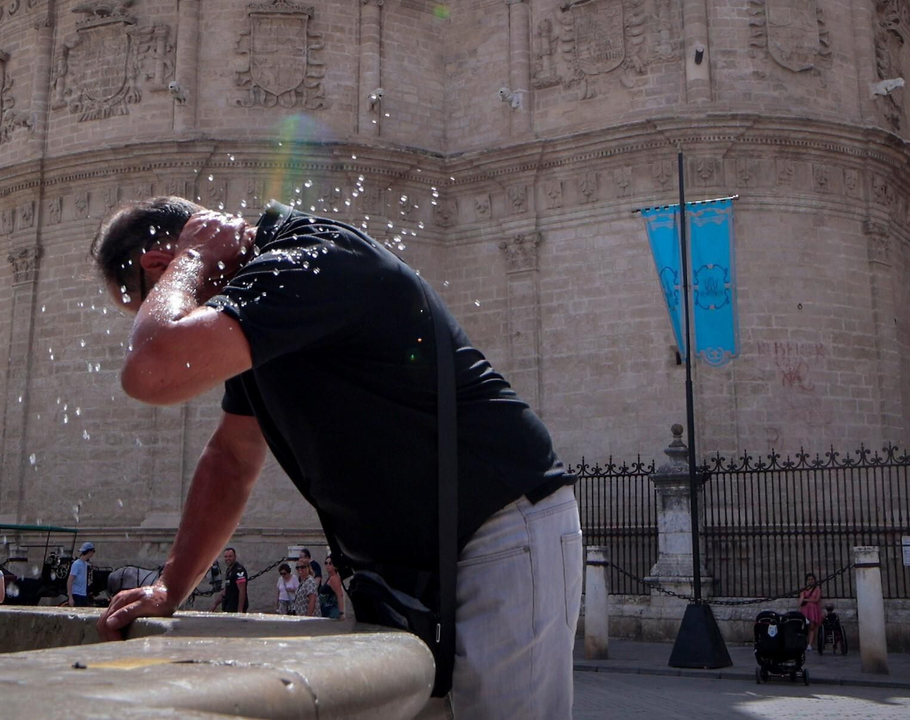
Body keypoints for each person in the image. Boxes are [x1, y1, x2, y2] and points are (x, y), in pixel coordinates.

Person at [93, 197, 581, 719]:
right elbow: (232, 456)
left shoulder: (308, 259)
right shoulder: (257, 304)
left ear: (160, 265)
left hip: (495, 525)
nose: (179, 307)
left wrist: (192, 260)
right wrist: (172, 586)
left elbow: (150, 369)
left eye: (164, 296)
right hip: (410, 565)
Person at [798, 572, 824, 652]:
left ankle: (810, 644)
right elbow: (800, 601)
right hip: (805, 610)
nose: (810, 581)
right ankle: (804, 643)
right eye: (809, 580)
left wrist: (806, 599)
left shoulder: (817, 590)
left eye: (812, 579)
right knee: (805, 627)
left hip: (813, 610)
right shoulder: (803, 590)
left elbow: (816, 600)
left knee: (812, 627)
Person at [220, 547, 248, 613]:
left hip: (235, 607)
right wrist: (215, 604)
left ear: (235, 557)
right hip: (229, 606)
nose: (228, 559)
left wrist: (240, 609)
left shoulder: (239, 570)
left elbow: (242, 590)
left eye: (230, 556)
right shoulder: (229, 570)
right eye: (226, 557)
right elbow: (227, 588)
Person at [69, 542, 97, 608]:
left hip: (83, 594)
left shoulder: (85, 564)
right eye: (93, 552)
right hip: (76, 594)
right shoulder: (76, 564)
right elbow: (70, 580)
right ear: (89, 552)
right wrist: (70, 597)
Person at [319, 554, 344, 620]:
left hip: (331, 611)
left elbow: (340, 595)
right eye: (326, 563)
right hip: (326, 610)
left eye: (330, 563)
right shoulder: (330, 578)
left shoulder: (334, 579)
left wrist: (341, 613)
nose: (328, 565)